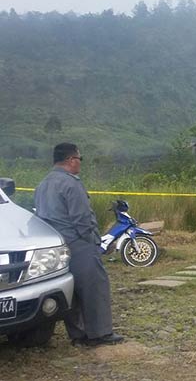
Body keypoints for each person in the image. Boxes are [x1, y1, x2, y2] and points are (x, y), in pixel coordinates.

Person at [33, 143, 125, 347]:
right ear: (71, 160)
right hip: (79, 243)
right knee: (95, 287)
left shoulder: (43, 184)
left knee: (70, 290)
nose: (80, 163)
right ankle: (99, 334)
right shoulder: (71, 184)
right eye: (79, 159)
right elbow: (82, 218)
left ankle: (78, 334)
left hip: (55, 248)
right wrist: (94, 241)